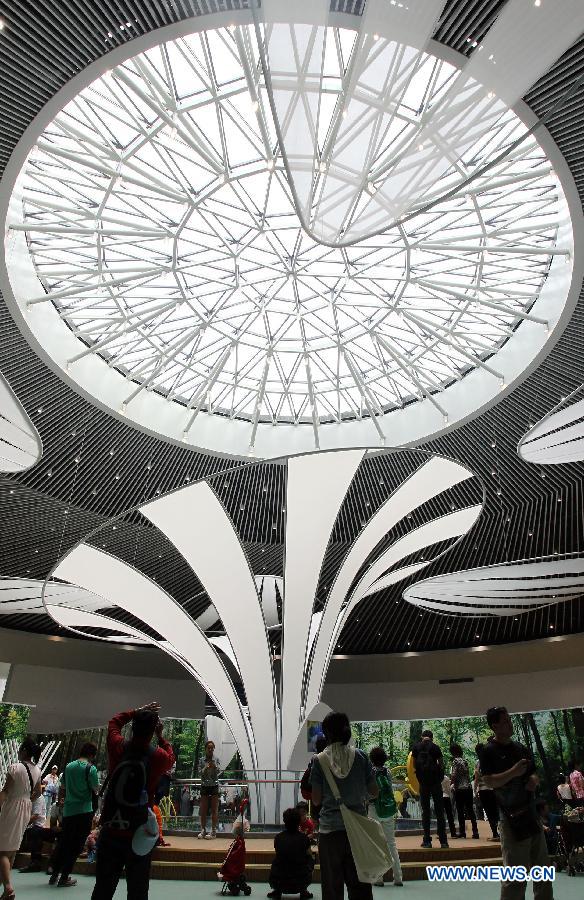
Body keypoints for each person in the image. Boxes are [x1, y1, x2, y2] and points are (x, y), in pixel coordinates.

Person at [92, 701, 175, 900]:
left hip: (111, 829)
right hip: (139, 834)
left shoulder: (118, 747)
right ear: (153, 729)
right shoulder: (157, 757)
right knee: (138, 890)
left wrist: (134, 712)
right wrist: (161, 736)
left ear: (133, 726)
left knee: (103, 887)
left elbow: (113, 722)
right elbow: (171, 758)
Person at [480, 706, 553, 900]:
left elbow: (533, 773)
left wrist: (533, 780)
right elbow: (489, 781)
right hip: (510, 817)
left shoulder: (520, 748)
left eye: (509, 720)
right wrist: (513, 772)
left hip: (531, 813)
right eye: (505, 721)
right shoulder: (488, 751)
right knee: (515, 875)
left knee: (543, 870)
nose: (509, 724)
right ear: (494, 726)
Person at [310, 711, 379, 900]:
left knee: (332, 887)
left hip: (330, 832)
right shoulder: (362, 756)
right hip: (358, 830)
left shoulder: (319, 760)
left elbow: (316, 799)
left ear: (327, 733)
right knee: (360, 886)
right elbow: (374, 791)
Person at [48, 741, 99, 887]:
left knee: (64, 843)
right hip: (84, 811)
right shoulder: (91, 769)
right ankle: (64, 877)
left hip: (69, 811)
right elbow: (95, 789)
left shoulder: (69, 766)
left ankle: (54, 874)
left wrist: (62, 800)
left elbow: (62, 786)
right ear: (91, 754)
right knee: (76, 846)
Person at [0, 736, 42, 900]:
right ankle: (5, 889)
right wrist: (26, 799)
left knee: (2, 850)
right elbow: (38, 792)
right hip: (26, 807)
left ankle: (8, 886)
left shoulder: (15, 767)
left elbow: (5, 791)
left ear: (24, 750)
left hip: (13, 807)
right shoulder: (37, 770)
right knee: (11, 850)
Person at [369, 746, 403, 887]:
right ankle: (398, 877)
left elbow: (369, 792)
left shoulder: (370, 772)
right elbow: (389, 787)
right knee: (391, 844)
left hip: (374, 809)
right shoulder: (388, 771)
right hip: (388, 810)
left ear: (371, 759)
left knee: (376, 844)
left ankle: (379, 878)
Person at [411, 729, 448, 849]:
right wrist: (439, 775)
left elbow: (414, 764)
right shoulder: (436, 747)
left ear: (422, 737)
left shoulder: (416, 747)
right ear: (431, 737)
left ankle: (427, 840)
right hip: (435, 783)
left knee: (425, 811)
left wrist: (420, 776)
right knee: (439, 811)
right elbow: (441, 764)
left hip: (423, 783)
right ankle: (443, 841)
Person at [267, 807, 314, 900]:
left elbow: (280, 855)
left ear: (284, 821)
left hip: (280, 881)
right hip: (300, 881)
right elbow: (309, 855)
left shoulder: (278, 838)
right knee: (311, 859)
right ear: (298, 821)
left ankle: (277, 890)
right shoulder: (304, 838)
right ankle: (304, 891)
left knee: (278, 860)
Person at [450, 743, 479, 840]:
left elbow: (454, 774)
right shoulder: (465, 760)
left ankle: (462, 832)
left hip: (460, 789)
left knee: (460, 810)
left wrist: (451, 783)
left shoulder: (455, 761)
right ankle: (475, 831)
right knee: (470, 810)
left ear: (453, 752)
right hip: (468, 788)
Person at [18, 784, 47, 873]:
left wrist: (22, 824)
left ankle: (35, 863)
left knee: (34, 833)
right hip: (31, 825)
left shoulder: (38, 798)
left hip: (37, 825)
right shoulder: (30, 797)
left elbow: (35, 816)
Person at [475, 744, 499, 841]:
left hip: (483, 790)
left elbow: (476, 776)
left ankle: (495, 833)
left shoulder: (478, 762)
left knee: (489, 812)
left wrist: (475, 789)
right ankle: (499, 832)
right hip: (493, 789)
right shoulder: (492, 760)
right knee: (495, 810)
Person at [198, 740, 221, 840]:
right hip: (204, 786)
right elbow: (199, 772)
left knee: (214, 809)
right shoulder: (201, 760)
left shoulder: (216, 759)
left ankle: (213, 831)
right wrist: (206, 768)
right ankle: (203, 830)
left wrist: (215, 766)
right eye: (209, 748)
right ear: (205, 749)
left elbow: (220, 771)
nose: (211, 749)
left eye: (212, 748)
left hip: (214, 786)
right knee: (203, 809)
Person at [441, 774, 457, 839]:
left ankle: (440, 833)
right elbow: (448, 790)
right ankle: (453, 833)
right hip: (446, 797)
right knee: (450, 815)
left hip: (439, 798)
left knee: (440, 816)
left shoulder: (435, 777)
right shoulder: (446, 778)